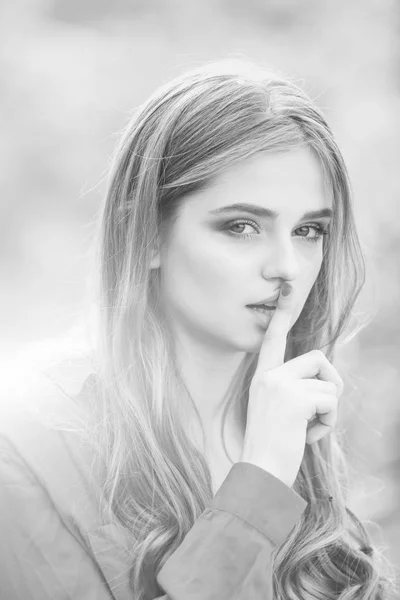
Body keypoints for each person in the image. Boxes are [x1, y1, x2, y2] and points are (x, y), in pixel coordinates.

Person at [0, 59, 396, 600]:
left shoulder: (294, 427)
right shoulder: (28, 440)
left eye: (309, 230)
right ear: (145, 233)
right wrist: (258, 485)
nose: (288, 265)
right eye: (241, 226)